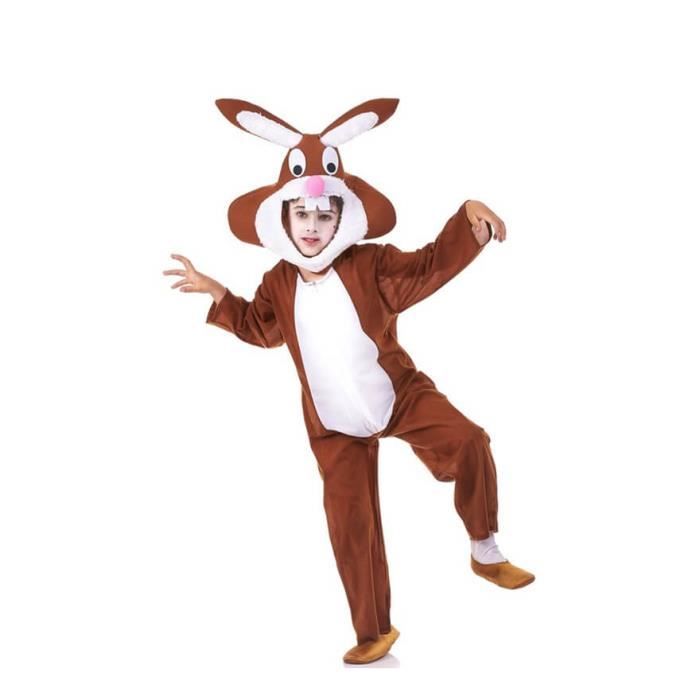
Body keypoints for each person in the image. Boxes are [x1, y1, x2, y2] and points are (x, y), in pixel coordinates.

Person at [163, 196, 535, 664]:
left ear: (341, 221)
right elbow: (260, 328)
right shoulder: (278, 282)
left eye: (324, 216)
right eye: (302, 215)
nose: (312, 226)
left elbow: (427, 267)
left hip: (397, 395)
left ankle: (484, 548)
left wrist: (468, 221)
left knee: (468, 440)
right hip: (334, 425)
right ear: (285, 221)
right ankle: (373, 631)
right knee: (350, 524)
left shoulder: (369, 263)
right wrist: (217, 292)